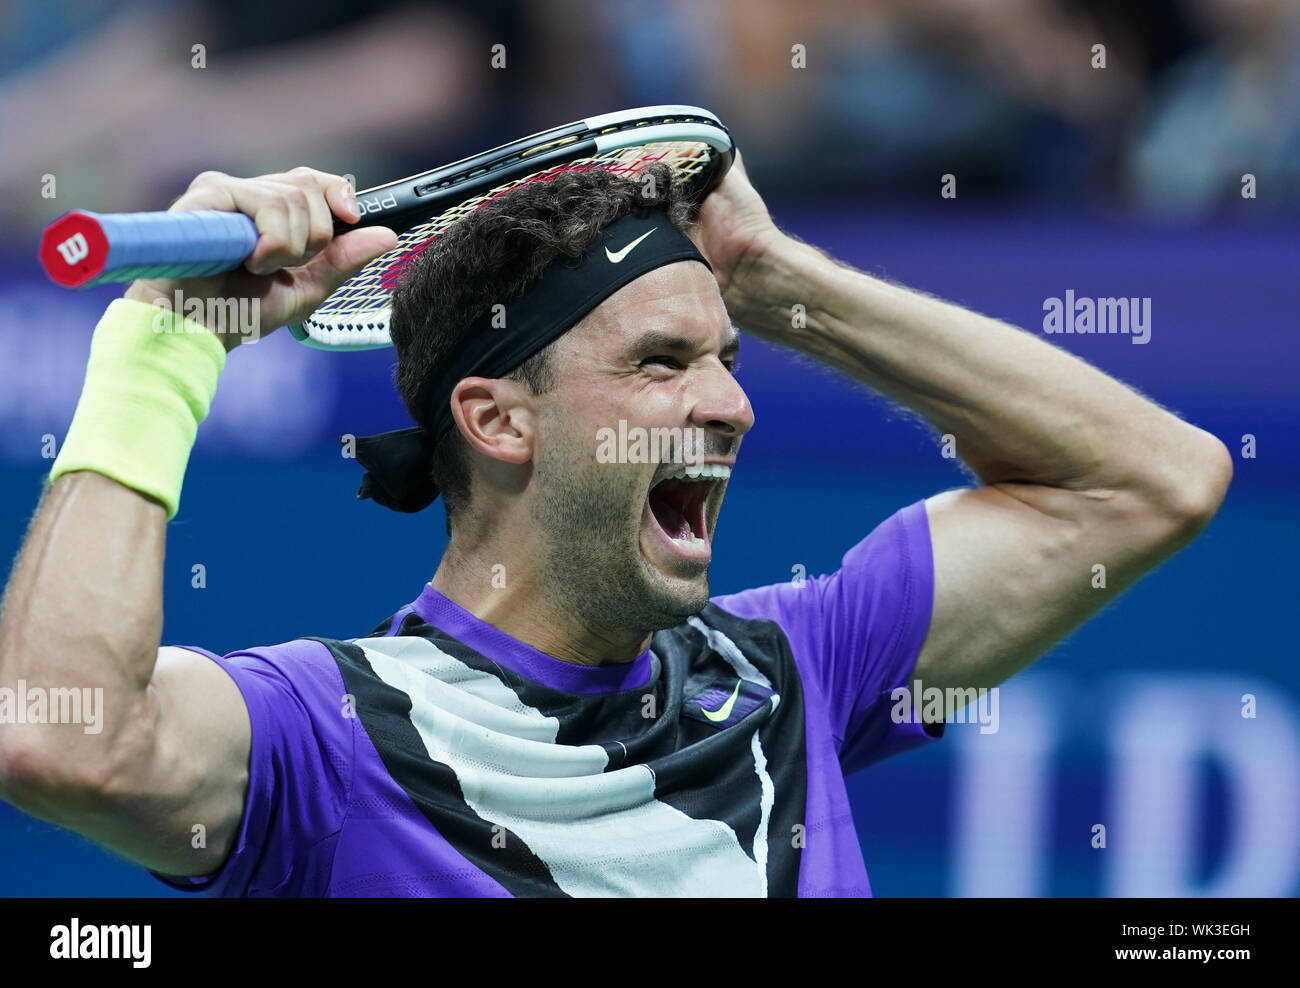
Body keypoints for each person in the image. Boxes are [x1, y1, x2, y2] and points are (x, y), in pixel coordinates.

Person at [0, 155, 1231, 897]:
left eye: (728, 357)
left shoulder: (801, 669)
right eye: (659, 362)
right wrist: (161, 355)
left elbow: (1150, 482)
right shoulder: (328, 739)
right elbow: (64, 740)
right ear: (497, 418)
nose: (733, 404)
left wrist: (771, 275)